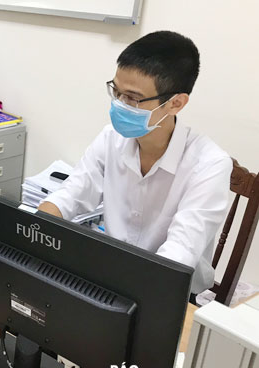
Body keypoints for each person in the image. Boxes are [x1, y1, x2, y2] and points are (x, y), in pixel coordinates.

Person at [39, 31, 232, 299]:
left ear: (175, 103)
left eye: (132, 98)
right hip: (111, 278)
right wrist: (34, 233)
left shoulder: (210, 165)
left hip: (169, 295)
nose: (119, 105)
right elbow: (72, 193)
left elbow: (177, 258)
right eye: (116, 91)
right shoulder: (111, 138)